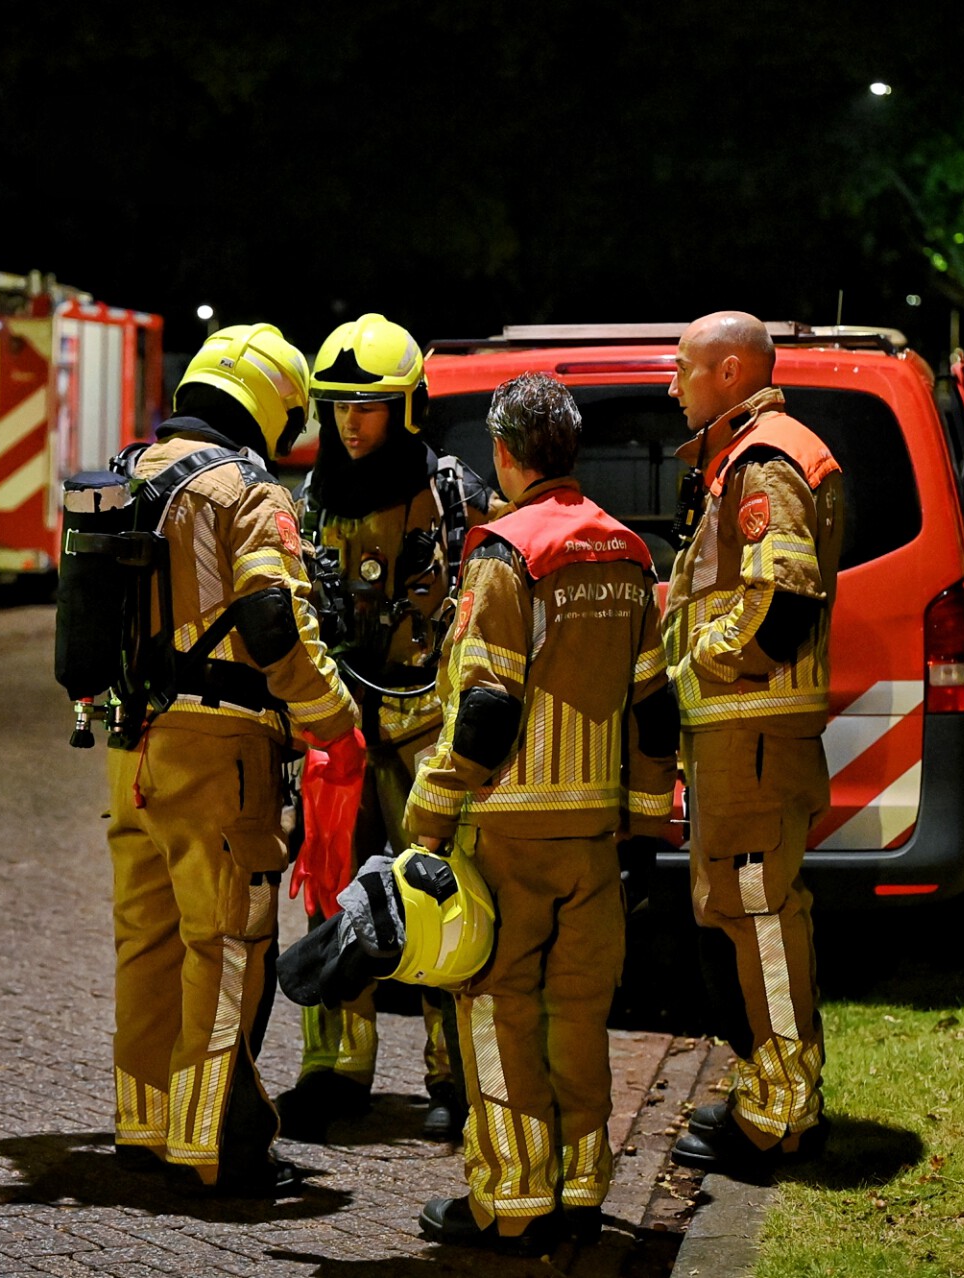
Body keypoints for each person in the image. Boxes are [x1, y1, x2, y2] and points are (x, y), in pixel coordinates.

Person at [403, 372, 676, 1251]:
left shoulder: (504, 554)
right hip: (594, 836)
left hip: (508, 830)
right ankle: (583, 1189)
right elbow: (652, 709)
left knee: (500, 1007)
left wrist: (429, 817)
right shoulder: (628, 553)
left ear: (506, 454)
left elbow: (482, 709)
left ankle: (512, 1202)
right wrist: (641, 827)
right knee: (581, 1009)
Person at [104, 322, 361, 1195]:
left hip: (131, 747)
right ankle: (213, 1140)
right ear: (266, 404)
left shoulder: (130, 470)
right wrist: (333, 716)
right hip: (220, 753)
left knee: (148, 940)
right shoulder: (247, 489)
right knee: (226, 945)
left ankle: (144, 1125)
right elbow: (269, 622)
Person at [275, 313, 501, 1144]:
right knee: (333, 895)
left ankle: (452, 1076)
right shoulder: (313, 500)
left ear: (407, 409)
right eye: (337, 406)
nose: (350, 422)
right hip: (342, 738)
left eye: (368, 406)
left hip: (425, 737)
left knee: (437, 896)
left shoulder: (456, 498)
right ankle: (334, 1069)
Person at [660, 311, 842, 1178]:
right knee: (741, 913)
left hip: (752, 730)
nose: (672, 384)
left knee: (759, 914)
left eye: (684, 369)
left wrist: (705, 654)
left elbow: (786, 597)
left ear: (731, 371)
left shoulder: (765, 461)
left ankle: (784, 1113)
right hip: (741, 737)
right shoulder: (743, 457)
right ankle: (767, 1087)